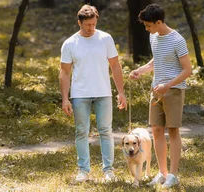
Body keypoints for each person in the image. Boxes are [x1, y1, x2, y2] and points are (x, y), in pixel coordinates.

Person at [59, 4, 127, 183]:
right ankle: (83, 170)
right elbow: (65, 72)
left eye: (94, 24)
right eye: (87, 25)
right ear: (79, 22)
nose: (91, 28)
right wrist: (65, 98)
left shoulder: (105, 38)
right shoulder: (70, 43)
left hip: (103, 92)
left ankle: (108, 171)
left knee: (106, 131)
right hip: (80, 94)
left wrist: (121, 92)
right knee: (81, 132)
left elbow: (115, 66)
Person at [129, 3, 192, 189]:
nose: (147, 29)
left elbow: (187, 70)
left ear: (159, 22)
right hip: (156, 90)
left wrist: (168, 85)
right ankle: (162, 173)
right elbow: (157, 60)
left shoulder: (177, 40)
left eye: (149, 25)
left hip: (173, 90)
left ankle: (173, 175)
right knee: (156, 130)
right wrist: (142, 70)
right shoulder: (153, 36)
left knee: (173, 131)